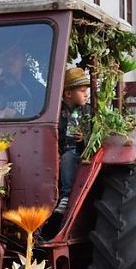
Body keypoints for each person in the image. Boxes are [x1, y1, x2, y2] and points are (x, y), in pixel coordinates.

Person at [55, 67, 92, 214]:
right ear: (68, 93)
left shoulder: (87, 111)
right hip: (62, 150)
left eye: (86, 91)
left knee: (69, 157)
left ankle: (66, 195)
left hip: (80, 152)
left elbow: (92, 132)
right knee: (66, 157)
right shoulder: (57, 112)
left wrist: (84, 138)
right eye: (82, 91)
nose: (86, 95)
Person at [0, 43, 46, 119]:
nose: (10, 59)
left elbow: (42, 123)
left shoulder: (37, 91)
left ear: (24, 61)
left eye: (15, 54)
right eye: (6, 55)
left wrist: (14, 116)